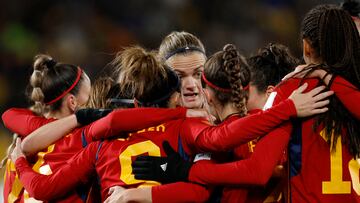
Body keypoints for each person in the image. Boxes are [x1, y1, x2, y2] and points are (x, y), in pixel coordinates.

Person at [133, 4, 360, 203]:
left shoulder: (291, 93)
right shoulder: (348, 93)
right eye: (180, 76)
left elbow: (242, 162)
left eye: (198, 74)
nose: (191, 85)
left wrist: (179, 171)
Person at [2, 54, 91, 203]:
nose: (92, 104)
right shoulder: (79, 142)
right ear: (73, 102)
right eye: (89, 96)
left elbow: (8, 115)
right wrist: (76, 120)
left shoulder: (20, 141)